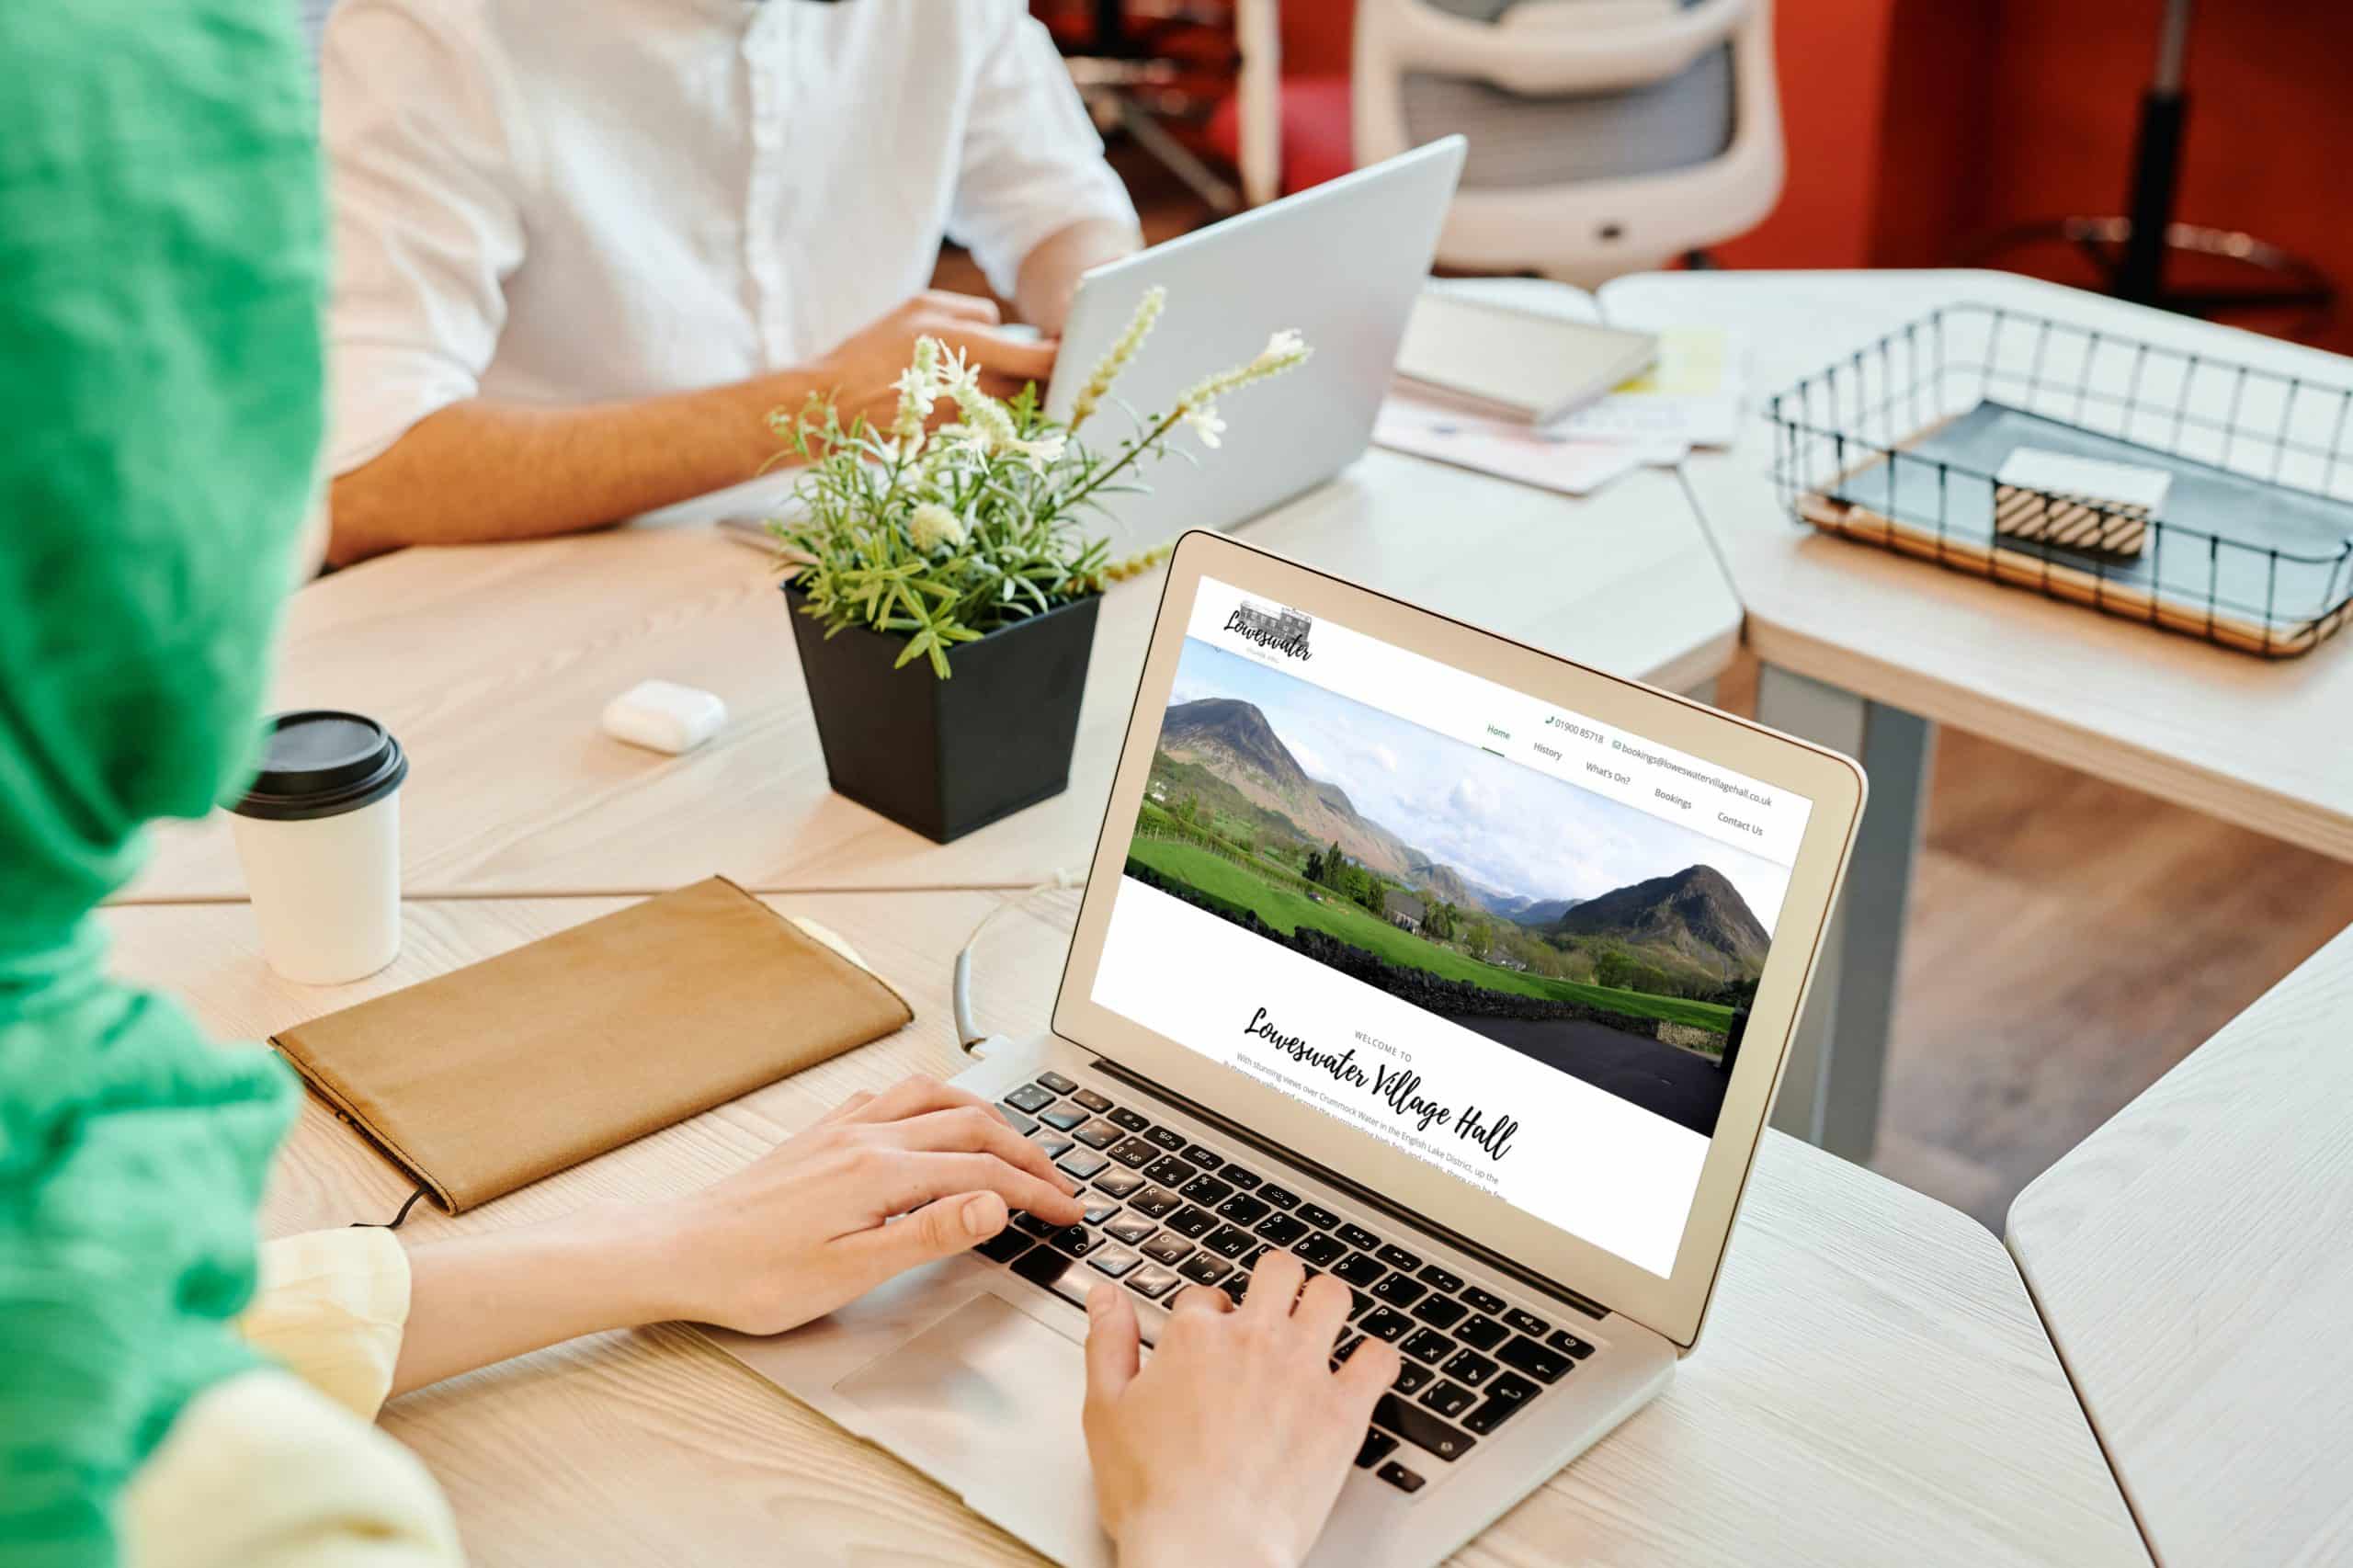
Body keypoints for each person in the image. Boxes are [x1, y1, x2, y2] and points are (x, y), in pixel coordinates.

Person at [0, 6, 1392, 1566]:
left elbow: (154, 1304)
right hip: (554, 687)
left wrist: (651, 1249)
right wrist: (1216, 1536)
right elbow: (369, 469)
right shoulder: (262, 1507)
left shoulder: (67, 1192)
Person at [317, 0, 1142, 564]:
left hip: (866, 556)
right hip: (551, 587)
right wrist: (815, 410)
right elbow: (361, 474)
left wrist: (1099, 315)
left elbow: (1062, 208)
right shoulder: (437, 31)